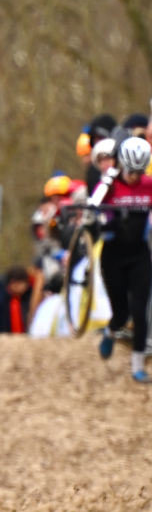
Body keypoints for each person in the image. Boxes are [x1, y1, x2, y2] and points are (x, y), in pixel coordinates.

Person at [89, 136, 152, 381]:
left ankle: (138, 366)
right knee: (121, 313)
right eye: (130, 171)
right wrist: (99, 215)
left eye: (139, 172)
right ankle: (110, 331)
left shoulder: (148, 184)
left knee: (140, 310)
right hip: (113, 255)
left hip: (139, 254)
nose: (134, 177)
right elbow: (93, 207)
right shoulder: (110, 183)